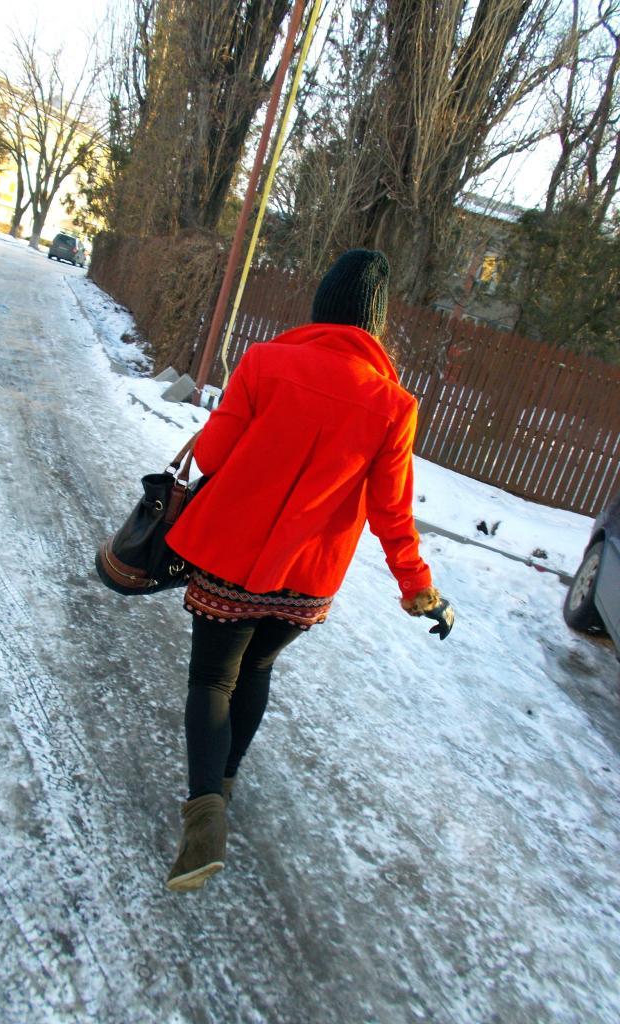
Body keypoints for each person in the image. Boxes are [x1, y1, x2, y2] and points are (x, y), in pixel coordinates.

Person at [163, 249, 454, 893]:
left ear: (322, 307)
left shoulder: (265, 362)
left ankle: (205, 815)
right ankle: (228, 780)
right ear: (373, 326)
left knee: (214, 677)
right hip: (307, 581)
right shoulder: (394, 406)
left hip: (229, 561)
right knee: (257, 668)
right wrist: (419, 589)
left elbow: (209, 455)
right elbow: (392, 513)